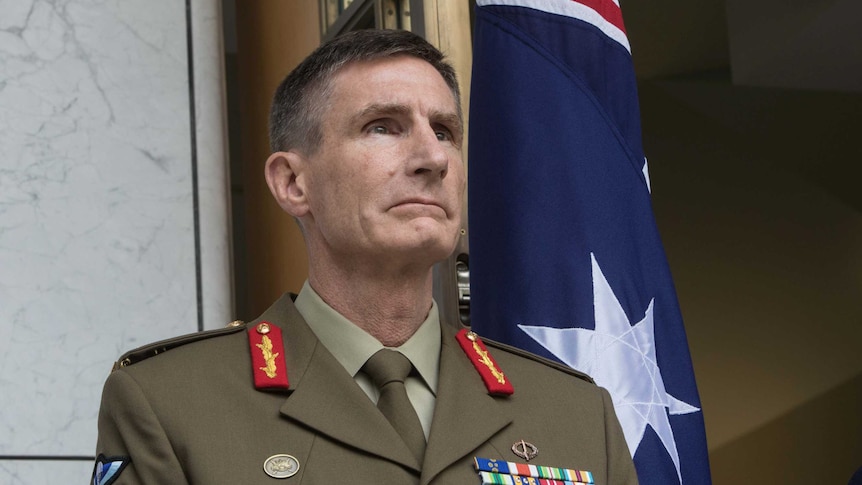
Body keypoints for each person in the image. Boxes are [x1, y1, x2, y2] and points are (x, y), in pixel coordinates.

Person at [92, 29, 638, 485]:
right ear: (293, 183)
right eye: (383, 127)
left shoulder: (577, 415)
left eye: (445, 131)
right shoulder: (171, 404)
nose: (432, 158)